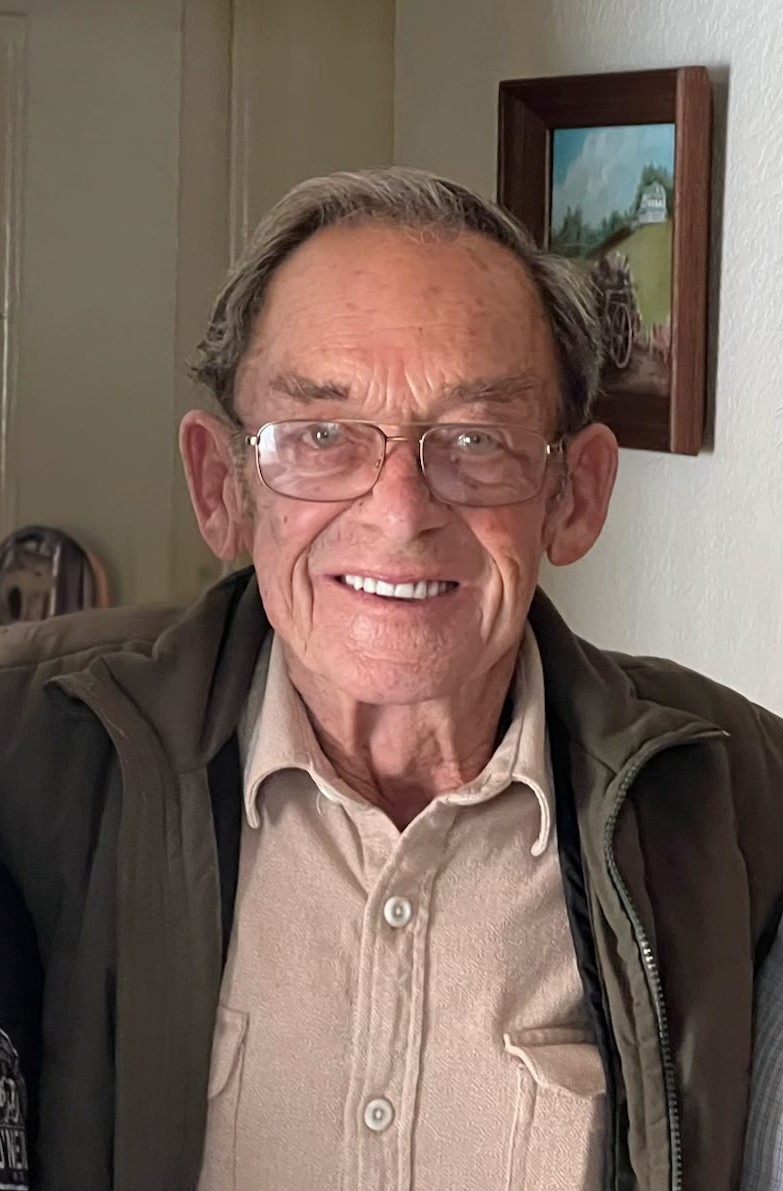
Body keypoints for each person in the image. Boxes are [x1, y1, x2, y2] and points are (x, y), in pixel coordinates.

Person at [0, 167, 781, 1191]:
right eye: (321, 436)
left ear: (574, 495)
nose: (401, 510)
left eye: (475, 439)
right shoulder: (30, 751)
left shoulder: (735, 795)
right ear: (221, 485)